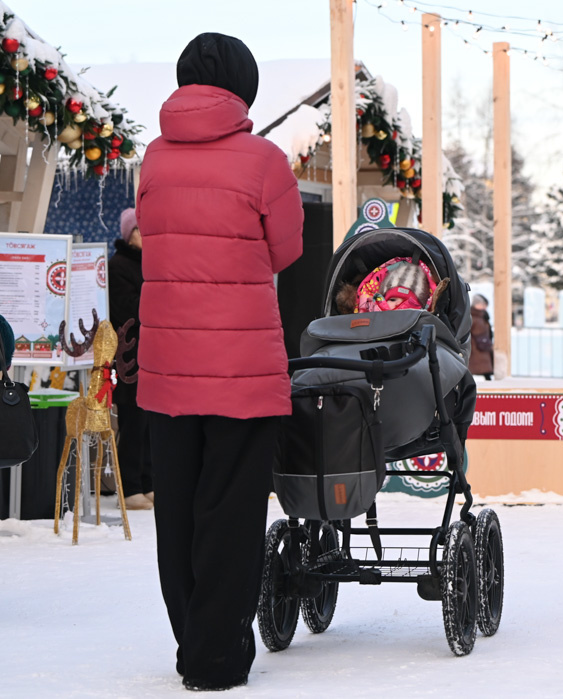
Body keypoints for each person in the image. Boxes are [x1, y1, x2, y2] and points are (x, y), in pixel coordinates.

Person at [135, 33, 303, 691]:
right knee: (230, 515)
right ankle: (217, 655)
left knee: (175, 510)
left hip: (168, 367)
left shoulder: (152, 159)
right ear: (245, 86)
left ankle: (192, 643)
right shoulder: (265, 160)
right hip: (243, 370)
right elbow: (286, 251)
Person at [108, 207, 153, 510]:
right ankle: (130, 487)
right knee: (134, 422)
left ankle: (149, 483)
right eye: (138, 230)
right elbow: (127, 308)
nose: (143, 235)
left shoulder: (152, 263)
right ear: (128, 234)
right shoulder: (119, 266)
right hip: (130, 356)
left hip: (154, 354)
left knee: (152, 421)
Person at [469, 294, 494, 380]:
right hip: (474, 347)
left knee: (485, 369)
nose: (485, 307)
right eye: (483, 305)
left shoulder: (482, 316)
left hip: (483, 345)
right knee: (472, 368)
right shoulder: (472, 316)